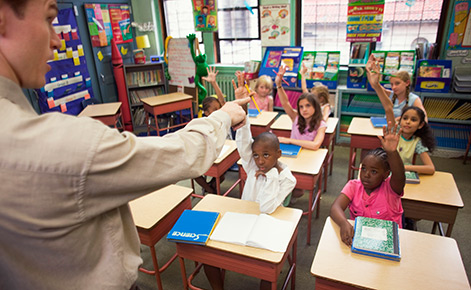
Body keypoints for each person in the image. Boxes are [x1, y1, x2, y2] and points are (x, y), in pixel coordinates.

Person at [0, 1, 249, 289]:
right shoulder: (60, 143)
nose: (56, 40)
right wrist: (223, 116)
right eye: (48, 18)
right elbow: (184, 153)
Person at [203, 70, 295, 290]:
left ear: (278, 155)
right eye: (257, 155)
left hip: (267, 223)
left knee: (266, 268)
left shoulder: (287, 178)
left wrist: (271, 175)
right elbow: (244, 143)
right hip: (242, 218)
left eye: (266, 156)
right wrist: (242, 110)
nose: (260, 161)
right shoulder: (253, 163)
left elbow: (265, 207)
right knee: (209, 253)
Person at [330, 123, 406, 246]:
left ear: (386, 174)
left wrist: (392, 152)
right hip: (360, 241)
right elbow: (335, 208)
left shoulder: (391, 189)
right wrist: (344, 223)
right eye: (363, 168)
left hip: (387, 244)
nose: (366, 174)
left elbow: (400, 176)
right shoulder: (354, 186)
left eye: (374, 171)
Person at [274, 66, 327, 201]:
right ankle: (281, 199)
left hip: (307, 160)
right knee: (277, 178)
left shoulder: (321, 124)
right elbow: (285, 102)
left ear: (315, 106)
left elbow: (315, 145)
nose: (304, 110)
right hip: (290, 156)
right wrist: (279, 84)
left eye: (308, 106)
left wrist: (290, 140)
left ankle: (284, 199)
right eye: (301, 107)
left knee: (299, 190)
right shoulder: (296, 117)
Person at [366, 54, 428, 123]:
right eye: (392, 84)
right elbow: (375, 86)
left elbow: (424, 119)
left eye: (397, 83)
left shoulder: (414, 99)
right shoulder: (391, 94)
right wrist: (369, 70)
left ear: (407, 83)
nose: (394, 87)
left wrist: (403, 119)